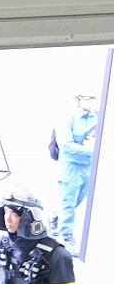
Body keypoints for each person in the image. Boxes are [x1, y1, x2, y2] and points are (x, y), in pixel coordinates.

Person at [53, 92, 99, 248]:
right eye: (87, 99)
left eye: (92, 99)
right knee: (69, 201)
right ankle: (66, 234)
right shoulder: (68, 119)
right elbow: (66, 146)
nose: (90, 102)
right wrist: (93, 150)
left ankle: (55, 216)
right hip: (71, 166)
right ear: (77, 101)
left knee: (79, 199)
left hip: (89, 165)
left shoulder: (96, 116)